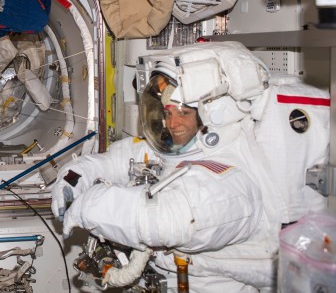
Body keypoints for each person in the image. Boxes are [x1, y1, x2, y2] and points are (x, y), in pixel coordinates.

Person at [52, 41, 285, 292]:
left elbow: (173, 219)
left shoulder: (230, 176)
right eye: (168, 112)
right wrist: (73, 180)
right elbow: (110, 162)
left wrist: (88, 206)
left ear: (213, 115)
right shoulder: (170, 150)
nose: (172, 123)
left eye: (183, 113)